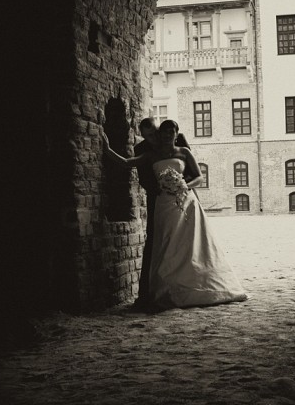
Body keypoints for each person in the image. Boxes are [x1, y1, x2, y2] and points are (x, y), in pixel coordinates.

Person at [102, 119, 249, 312]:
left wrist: (184, 186)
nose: (167, 135)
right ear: (160, 134)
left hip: (186, 201)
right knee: (167, 243)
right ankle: (170, 288)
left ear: (176, 133)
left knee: (190, 243)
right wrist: (107, 149)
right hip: (164, 203)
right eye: (164, 132)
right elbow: (127, 163)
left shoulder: (184, 152)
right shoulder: (151, 154)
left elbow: (199, 177)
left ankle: (196, 284)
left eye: (171, 132)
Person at [133, 117, 192, 310]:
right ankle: (146, 293)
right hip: (158, 200)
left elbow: (190, 169)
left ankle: (184, 285)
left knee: (184, 238)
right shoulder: (141, 150)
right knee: (154, 241)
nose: (152, 139)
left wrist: (180, 186)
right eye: (147, 136)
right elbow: (143, 178)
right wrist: (160, 190)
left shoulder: (177, 139)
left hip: (182, 197)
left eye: (154, 134)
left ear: (159, 130)